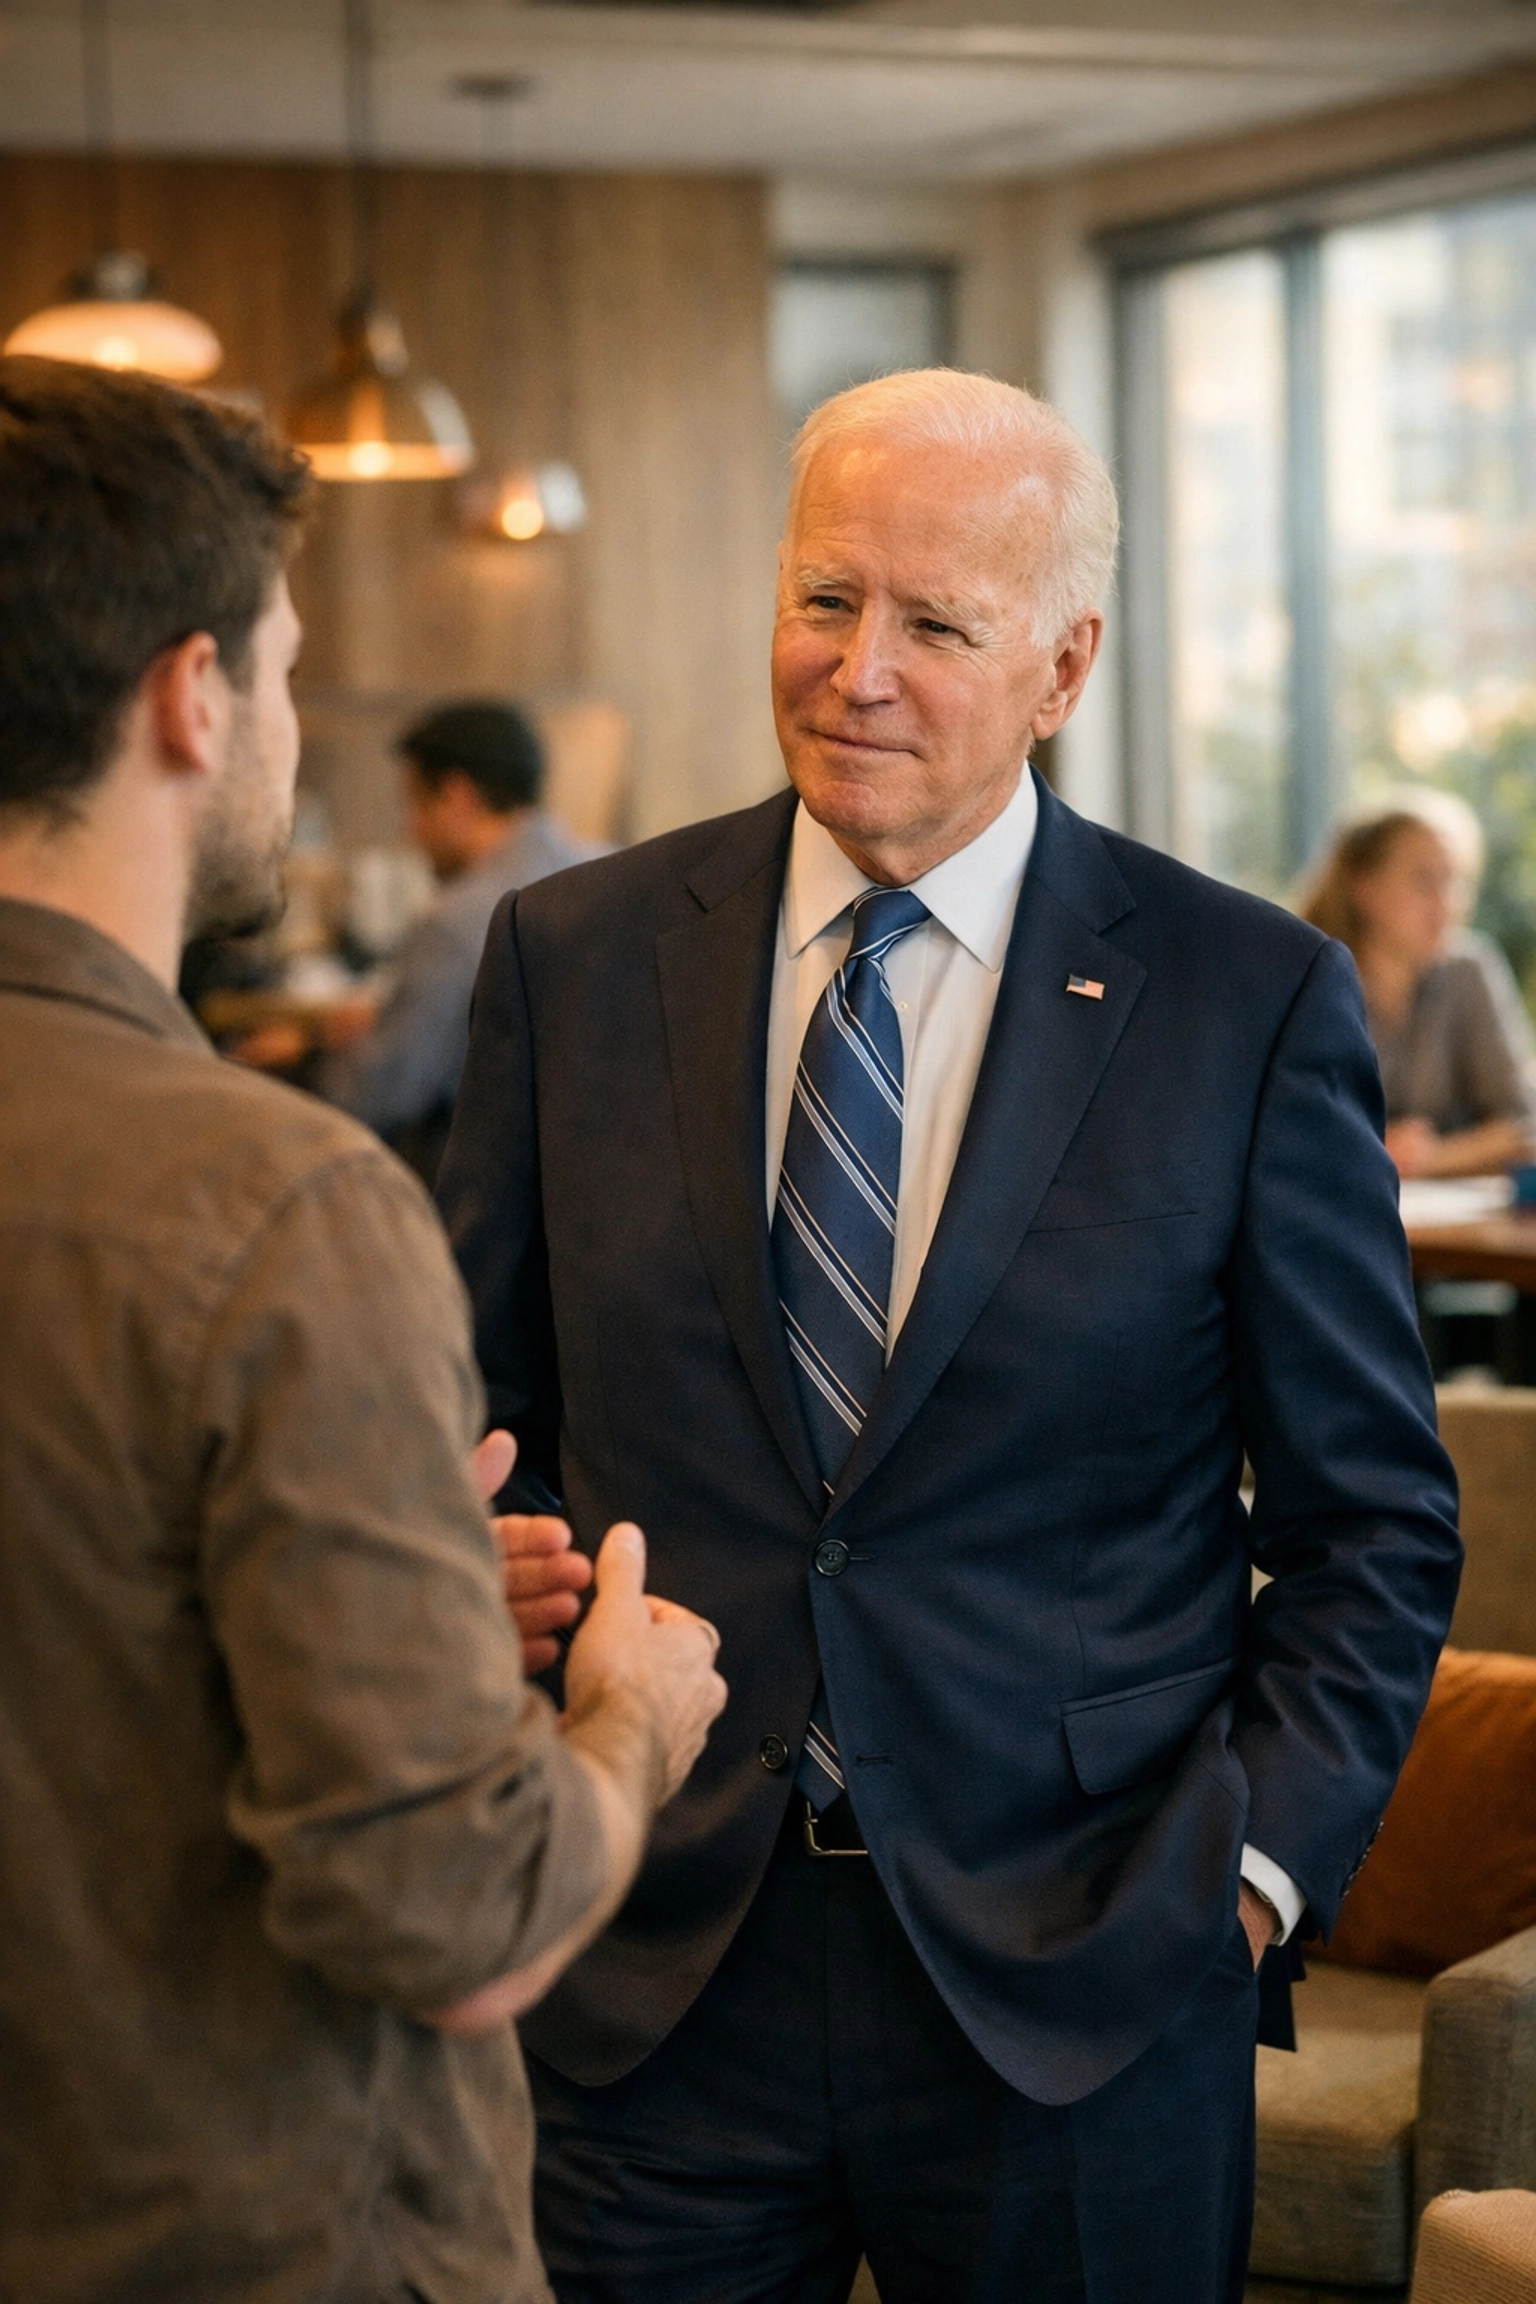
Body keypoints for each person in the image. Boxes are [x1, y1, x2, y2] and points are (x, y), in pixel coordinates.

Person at [439, 368, 1460, 2304]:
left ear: (1064, 664)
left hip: (1086, 1981)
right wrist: (485, 1577)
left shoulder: (1247, 999)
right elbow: (478, 1422)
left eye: (935, 623)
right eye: (825, 600)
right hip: (646, 1971)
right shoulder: (569, 960)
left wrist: (1243, 1884)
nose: (859, 672)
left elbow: (1374, 1526)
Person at [0, 353, 725, 2304]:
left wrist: (366, 1615)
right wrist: (623, 1724)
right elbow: (459, 1921)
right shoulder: (282, 1214)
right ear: (192, 691)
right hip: (247, 2227)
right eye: (292, 666)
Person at [237, 699, 600, 1183]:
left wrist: (308, 1054)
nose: (412, 832)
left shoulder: (461, 920)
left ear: (457, 797)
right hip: (589, 1186)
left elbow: (373, 1096)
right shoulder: (607, 871)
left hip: (484, 1203)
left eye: (415, 805)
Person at [1299, 789, 1535, 1178]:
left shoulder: (1469, 970)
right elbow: (1289, 1133)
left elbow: (1522, 1122)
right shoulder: (1310, 981)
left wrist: (1431, 1156)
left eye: (1454, 881)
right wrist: (1377, 1148)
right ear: (1364, 888)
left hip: (1451, 1227)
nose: (1448, 903)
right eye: (1425, 881)